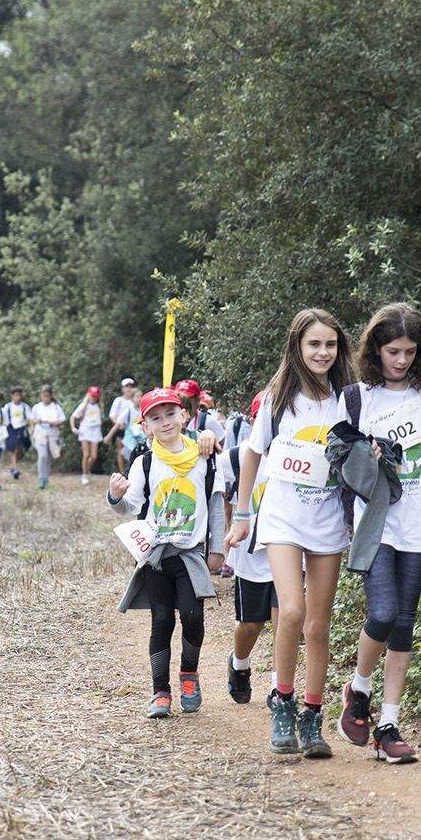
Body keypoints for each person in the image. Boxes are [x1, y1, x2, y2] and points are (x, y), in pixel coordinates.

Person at [336, 303, 421, 764]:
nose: (402, 360)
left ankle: (387, 724)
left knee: (405, 623)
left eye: (410, 351)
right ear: (375, 349)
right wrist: (362, 454)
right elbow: (337, 461)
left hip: (419, 524)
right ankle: (359, 689)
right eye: (393, 351)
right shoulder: (355, 399)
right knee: (384, 612)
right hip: (375, 524)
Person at [225, 309, 352, 759]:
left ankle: (312, 715)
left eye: (330, 345)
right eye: (314, 344)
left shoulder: (349, 397)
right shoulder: (280, 396)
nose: (322, 352)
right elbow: (251, 454)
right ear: (297, 346)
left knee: (318, 625)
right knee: (291, 610)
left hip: (328, 519)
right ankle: (282, 701)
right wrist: (242, 515)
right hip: (281, 517)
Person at [108, 386, 226, 717]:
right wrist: (115, 496)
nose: (165, 422)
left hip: (191, 554)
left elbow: (216, 502)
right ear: (145, 426)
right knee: (161, 620)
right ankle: (160, 691)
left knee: (192, 615)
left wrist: (217, 548)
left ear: (184, 415)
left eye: (171, 414)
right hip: (156, 557)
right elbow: (130, 506)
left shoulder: (205, 456)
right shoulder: (144, 463)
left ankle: (189, 672)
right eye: (155, 418)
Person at [220, 393, 275, 703]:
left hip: (292, 554)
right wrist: (203, 438)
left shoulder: (302, 452)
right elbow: (205, 471)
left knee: (287, 621)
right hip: (251, 557)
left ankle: (280, 688)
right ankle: (239, 664)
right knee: (251, 623)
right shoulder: (237, 457)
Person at [29, 385, 67, 490]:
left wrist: (53, 422)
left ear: (50, 396)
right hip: (40, 434)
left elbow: (62, 420)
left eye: (47, 396)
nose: (45, 398)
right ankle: (41, 478)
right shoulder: (37, 407)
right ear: (41, 395)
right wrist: (40, 421)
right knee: (42, 456)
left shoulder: (56, 407)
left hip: (52, 435)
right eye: (44, 395)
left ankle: (45, 479)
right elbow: (32, 420)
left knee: (49, 458)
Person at [71, 386, 104, 484]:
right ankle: (84, 475)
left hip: (95, 431)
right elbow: (73, 416)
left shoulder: (99, 406)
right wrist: (73, 427)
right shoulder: (83, 405)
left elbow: (101, 418)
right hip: (85, 431)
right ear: (88, 395)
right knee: (86, 455)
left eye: (95, 396)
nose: (93, 398)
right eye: (92, 396)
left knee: (94, 456)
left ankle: (87, 469)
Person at [106, 377, 138, 471]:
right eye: (126, 386)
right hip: (120, 428)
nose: (129, 388)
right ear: (122, 388)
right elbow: (112, 415)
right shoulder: (118, 400)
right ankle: (122, 471)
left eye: (131, 386)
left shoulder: (135, 400)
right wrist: (118, 424)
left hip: (133, 429)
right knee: (120, 450)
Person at [2, 386, 31, 479]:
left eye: (19, 395)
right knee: (13, 448)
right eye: (16, 395)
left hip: (22, 428)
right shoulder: (7, 406)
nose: (17, 397)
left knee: (21, 449)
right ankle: (14, 468)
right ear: (12, 396)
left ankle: (12, 466)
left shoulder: (25, 406)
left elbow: (30, 418)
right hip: (11, 428)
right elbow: (4, 418)